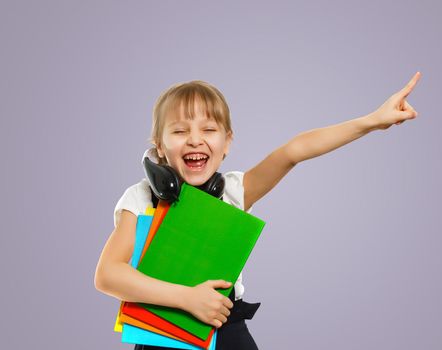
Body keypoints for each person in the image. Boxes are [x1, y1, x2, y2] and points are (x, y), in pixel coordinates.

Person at [94, 72, 422, 349]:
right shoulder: (140, 197)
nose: (195, 140)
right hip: (161, 335)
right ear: (159, 147)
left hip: (228, 331)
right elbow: (108, 275)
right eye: (180, 131)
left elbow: (294, 151)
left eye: (208, 130)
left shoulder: (235, 191)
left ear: (227, 143)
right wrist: (187, 298)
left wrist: (372, 121)